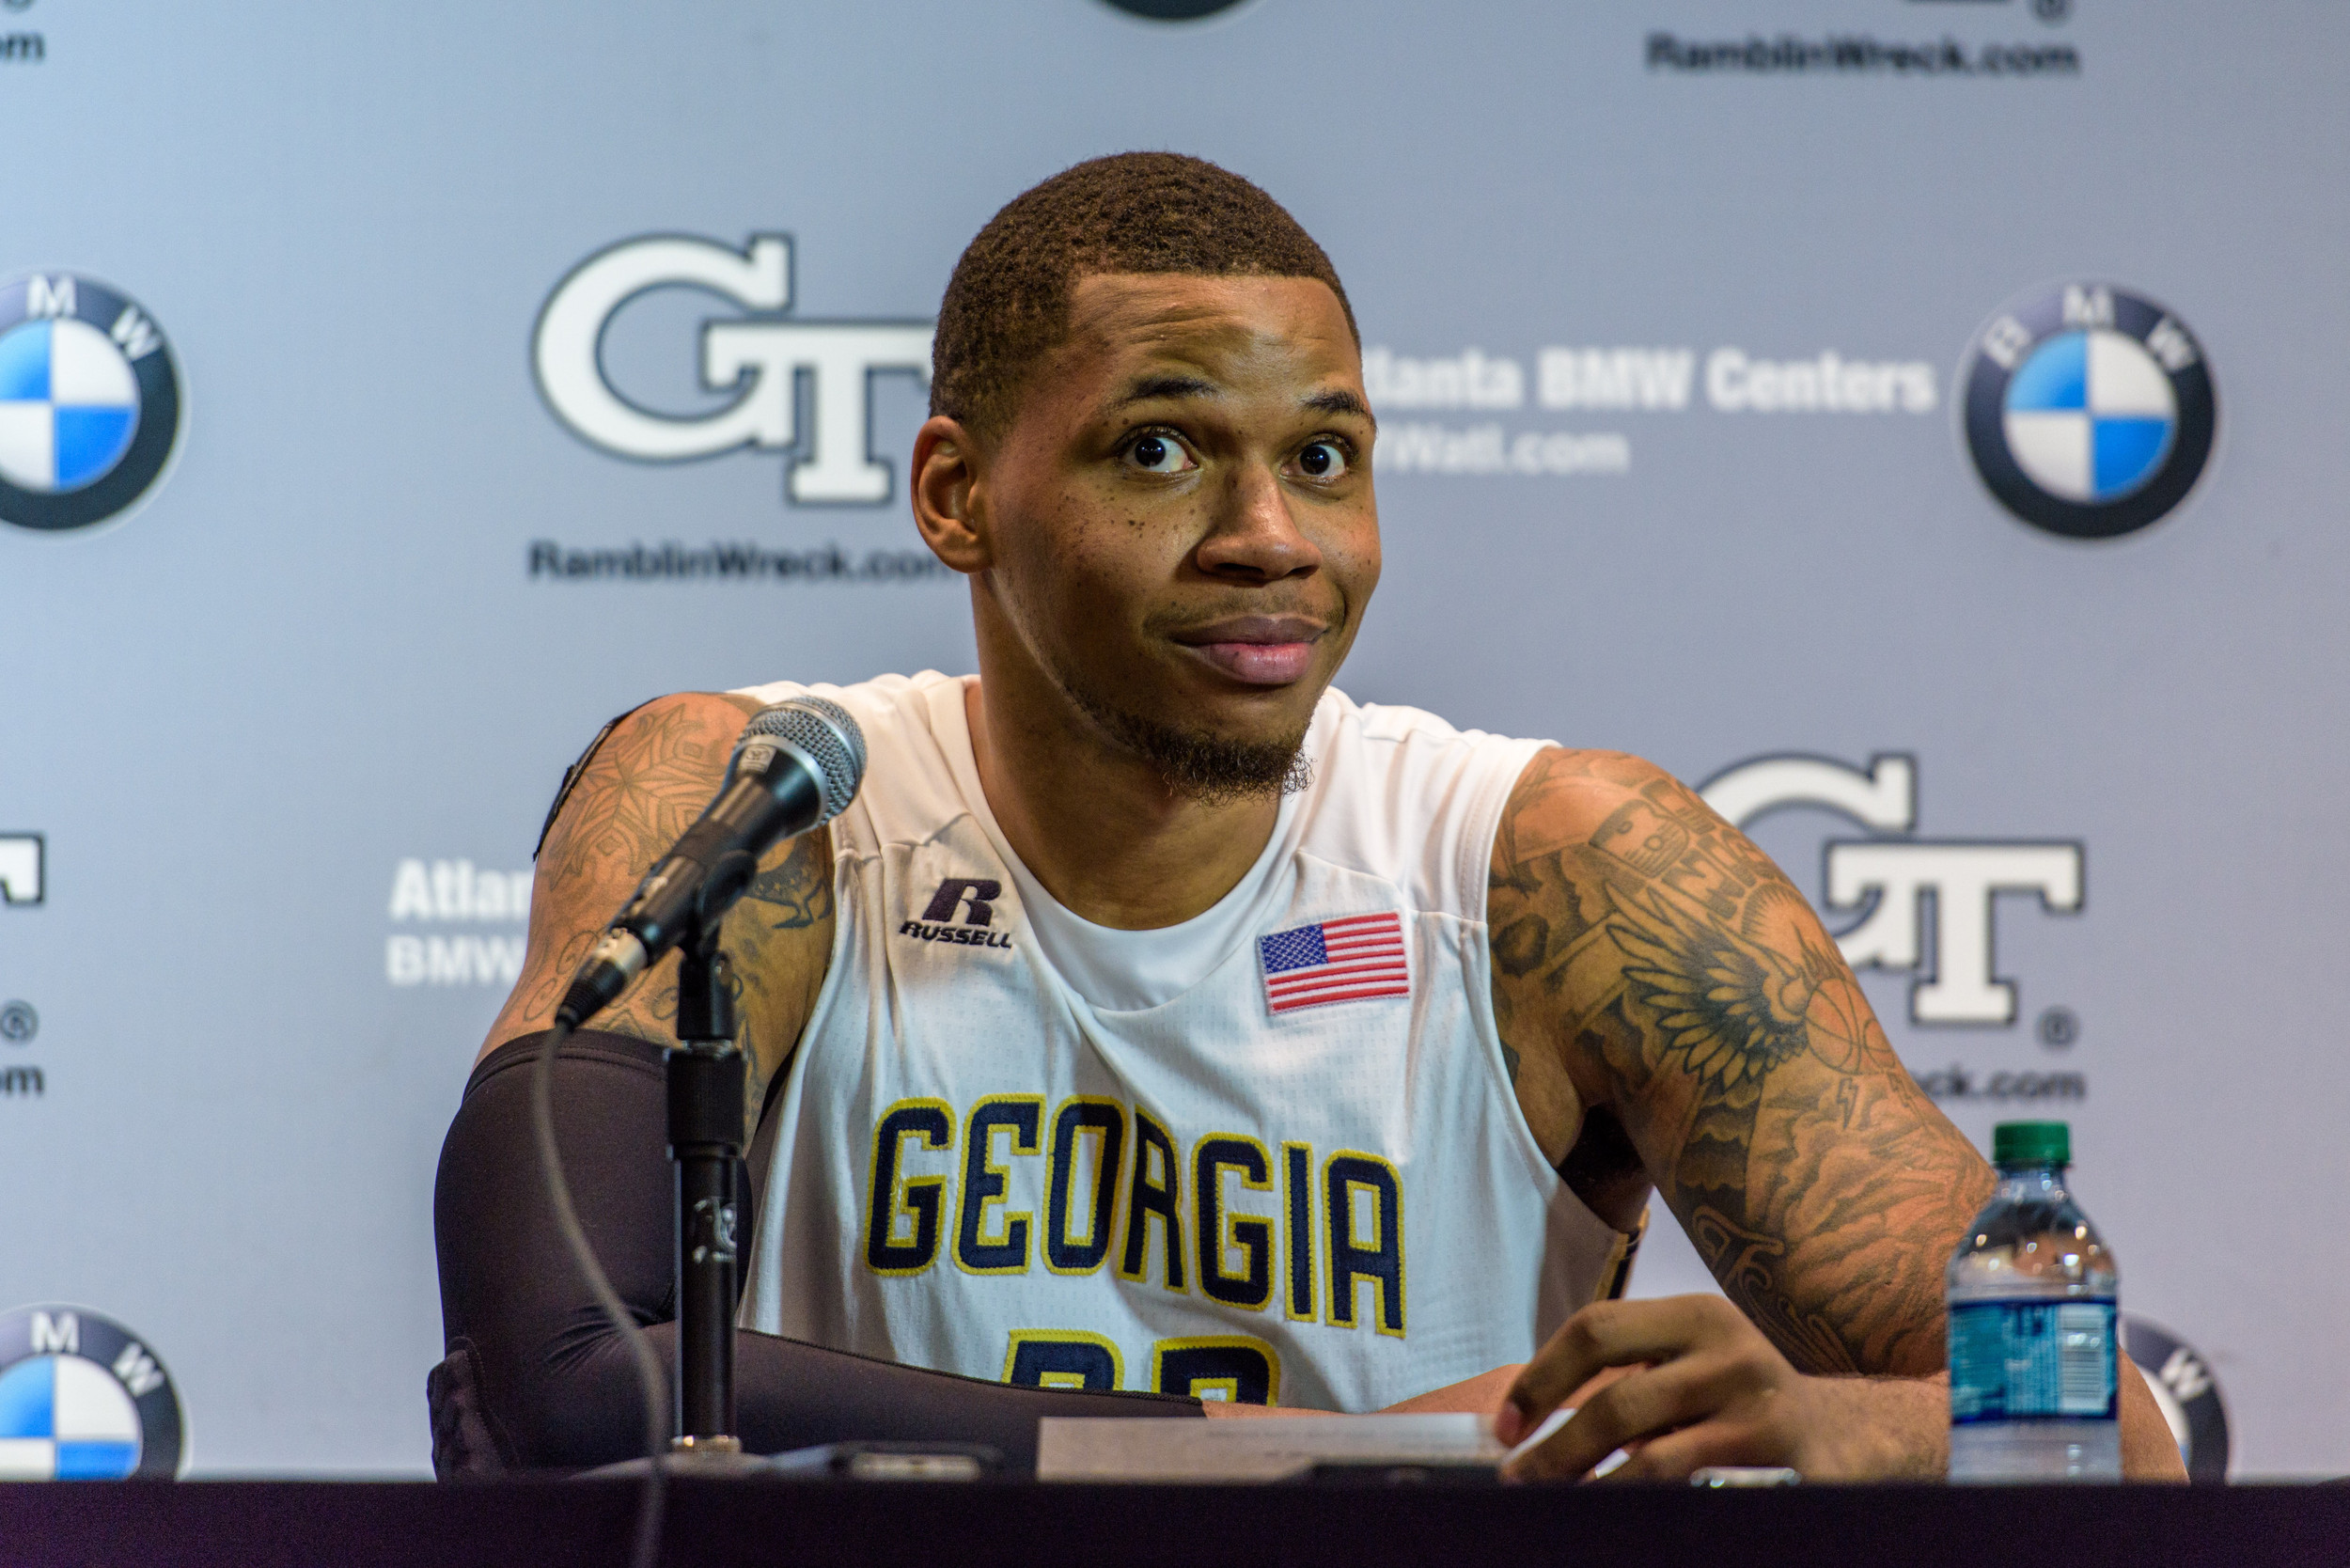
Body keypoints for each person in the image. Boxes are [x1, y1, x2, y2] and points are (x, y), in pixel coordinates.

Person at [431, 152, 2182, 1481]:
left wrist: (1825, 1425)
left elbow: (2113, 1430)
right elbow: (568, 1368)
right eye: (1160, 450)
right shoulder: (766, 805)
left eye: (1325, 458)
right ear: (958, 496)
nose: (1273, 538)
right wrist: (1348, 1464)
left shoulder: (1562, 871)